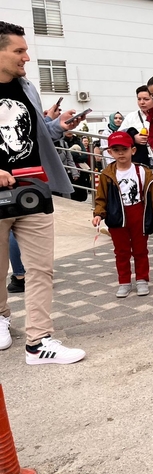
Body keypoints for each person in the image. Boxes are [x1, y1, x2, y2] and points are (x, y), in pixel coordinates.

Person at [0, 21, 86, 363]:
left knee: (40, 268)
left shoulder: (27, 87)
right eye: (19, 51)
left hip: (33, 189)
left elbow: (38, 135)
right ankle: (2, 317)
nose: (27, 57)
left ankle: (38, 342)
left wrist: (57, 128)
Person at [92, 131, 153, 298]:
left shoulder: (143, 171)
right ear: (110, 152)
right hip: (116, 215)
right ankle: (124, 281)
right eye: (116, 150)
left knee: (140, 250)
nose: (121, 153)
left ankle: (142, 279)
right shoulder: (107, 174)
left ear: (133, 150)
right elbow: (101, 197)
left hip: (138, 212)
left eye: (124, 149)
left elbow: (151, 196)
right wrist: (99, 214)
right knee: (121, 251)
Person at [118, 85, 153, 168]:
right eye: (139, 99)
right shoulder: (131, 116)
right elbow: (119, 135)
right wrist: (133, 138)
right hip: (139, 161)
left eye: (146, 99)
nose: (142, 102)